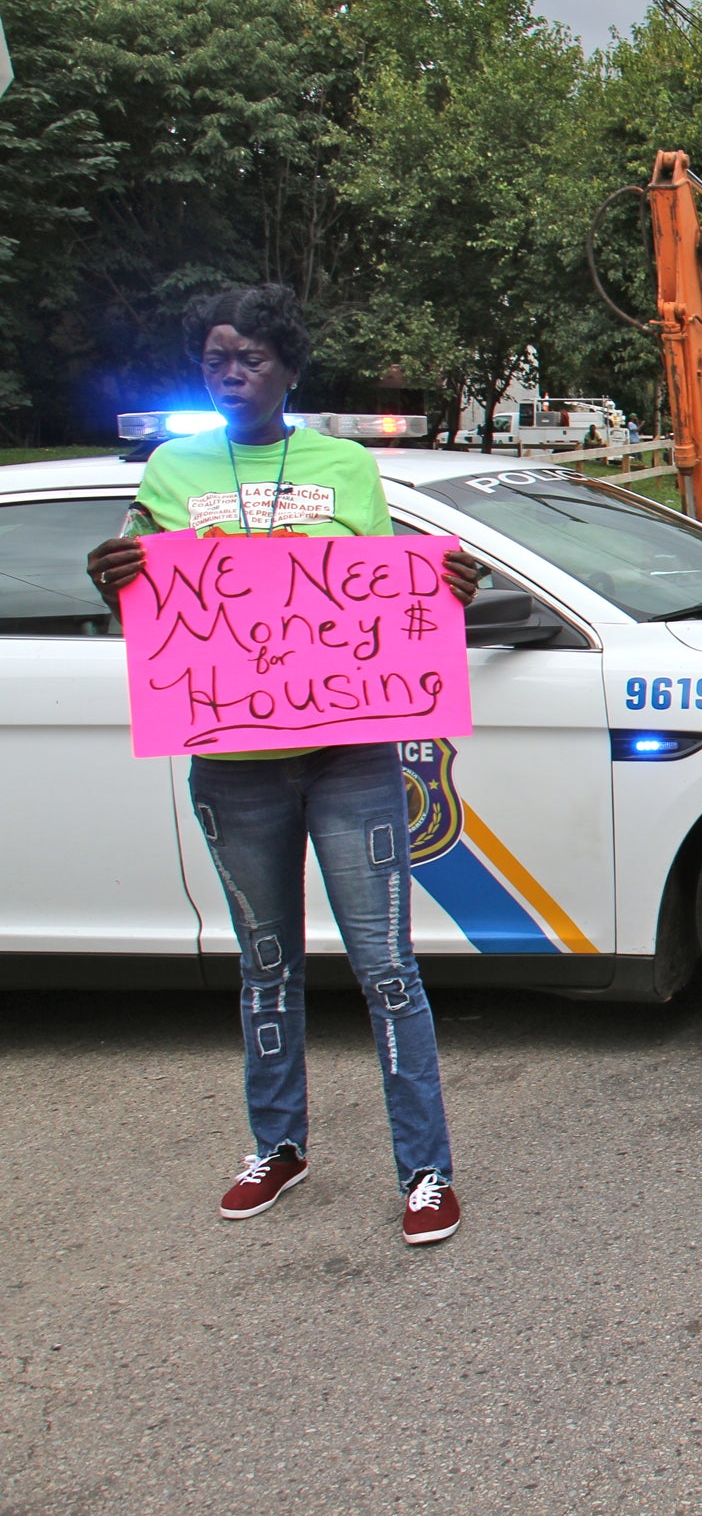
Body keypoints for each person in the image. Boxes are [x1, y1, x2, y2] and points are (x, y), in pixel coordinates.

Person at [83, 284, 482, 1246]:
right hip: (234, 765)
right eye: (216, 356)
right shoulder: (171, 470)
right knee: (266, 964)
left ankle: (425, 1171)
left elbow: (382, 602)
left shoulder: (344, 467)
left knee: (387, 967)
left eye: (250, 357)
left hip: (350, 760)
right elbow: (144, 603)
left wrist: (447, 587)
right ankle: (278, 1145)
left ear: (290, 370)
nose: (230, 371)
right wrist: (111, 581)